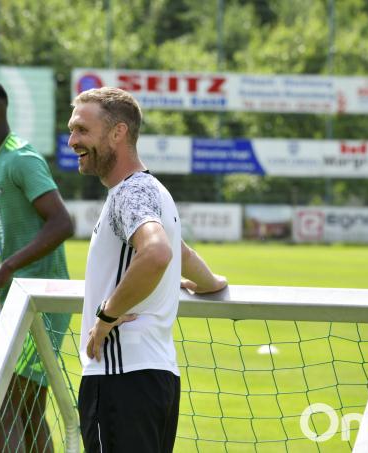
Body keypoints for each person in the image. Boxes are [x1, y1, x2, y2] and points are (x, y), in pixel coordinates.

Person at [67, 87, 227, 453]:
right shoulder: (153, 190)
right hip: (157, 378)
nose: (72, 140)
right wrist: (210, 282)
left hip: (120, 377)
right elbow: (179, 250)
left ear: (118, 132)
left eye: (81, 130)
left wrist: (106, 316)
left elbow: (157, 253)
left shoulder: (129, 192)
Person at [0, 78, 74, 452]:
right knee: (26, 411)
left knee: (3, 404)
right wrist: (0, 291)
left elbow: (62, 222)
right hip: (20, 301)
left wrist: (4, 270)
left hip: (41, 303)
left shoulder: (20, 157)